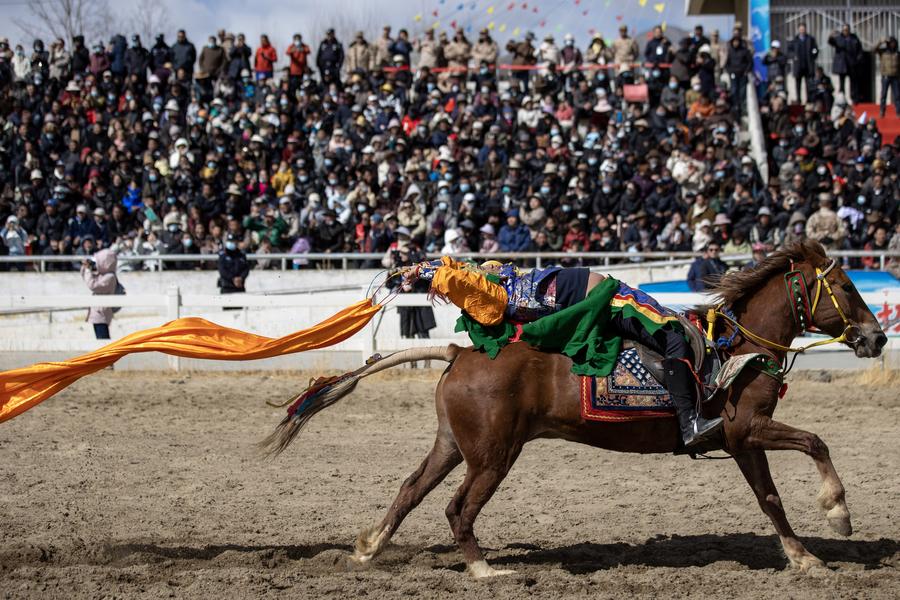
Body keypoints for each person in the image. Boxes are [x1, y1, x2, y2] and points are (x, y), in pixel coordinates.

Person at [406, 258, 723, 448]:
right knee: (673, 337)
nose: (492, 269)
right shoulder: (497, 297)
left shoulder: (496, 286)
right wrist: (427, 273)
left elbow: (459, 269)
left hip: (609, 295)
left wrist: (421, 269)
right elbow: (456, 276)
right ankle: (689, 422)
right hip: (610, 299)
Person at [81, 248, 119, 340]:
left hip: (101, 313)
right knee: (101, 338)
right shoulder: (103, 275)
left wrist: (88, 270)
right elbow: (86, 278)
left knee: (103, 339)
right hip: (98, 312)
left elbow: (92, 285)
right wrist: (86, 267)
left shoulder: (110, 277)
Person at [828, 25, 863, 103]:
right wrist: (831, 36)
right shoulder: (839, 38)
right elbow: (831, 42)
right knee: (842, 83)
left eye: (847, 30)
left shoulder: (854, 38)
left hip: (852, 64)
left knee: (853, 82)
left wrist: (857, 60)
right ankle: (842, 98)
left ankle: (854, 98)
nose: (845, 32)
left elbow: (859, 50)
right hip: (842, 64)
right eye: (844, 30)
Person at [788, 23, 818, 103]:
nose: (802, 30)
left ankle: (809, 100)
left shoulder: (810, 39)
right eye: (801, 29)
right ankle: (799, 99)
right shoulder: (794, 40)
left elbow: (815, 49)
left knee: (808, 84)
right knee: (798, 84)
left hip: (808, 66)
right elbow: (790, 51)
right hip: (798, 66)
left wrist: (813, 55)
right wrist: (793, 56)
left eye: (803, 29)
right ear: (798, 30)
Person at [875, 37, 899, 118]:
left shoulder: (897, 53)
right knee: (883, 95)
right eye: (891, 43)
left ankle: (898, 111)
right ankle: (882, 111)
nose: (892, 45)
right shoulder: (883, 52)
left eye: (893, 43)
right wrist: (880, 42)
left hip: (895, 76)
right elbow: (874, 49)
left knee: (897, 95)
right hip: (885, 76)